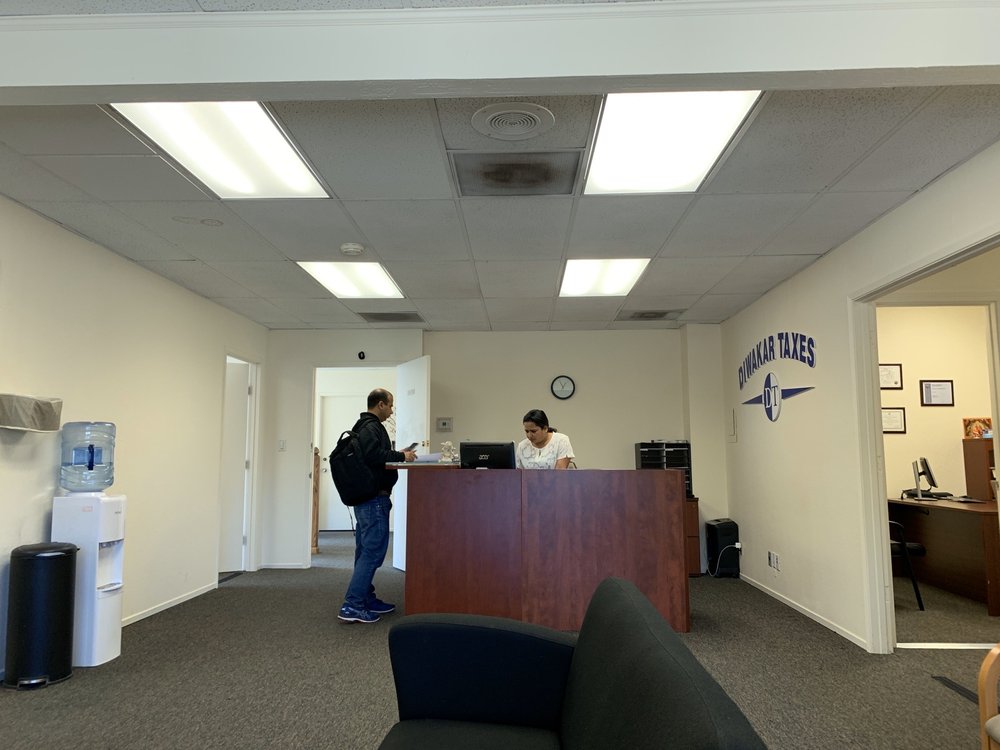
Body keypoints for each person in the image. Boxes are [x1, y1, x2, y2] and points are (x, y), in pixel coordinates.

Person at [338, 388, 415, 624]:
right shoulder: (372, 427)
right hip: (373, 499)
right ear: (380, 404)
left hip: (366, 499)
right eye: (390, 406)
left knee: (365, 551)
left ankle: (365, 598)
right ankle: (352, 605)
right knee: (372, 552)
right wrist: (402, 456)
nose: (391, 411)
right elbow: (373, 456)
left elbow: (372, 454)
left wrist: (396, 453)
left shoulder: (364, 426)